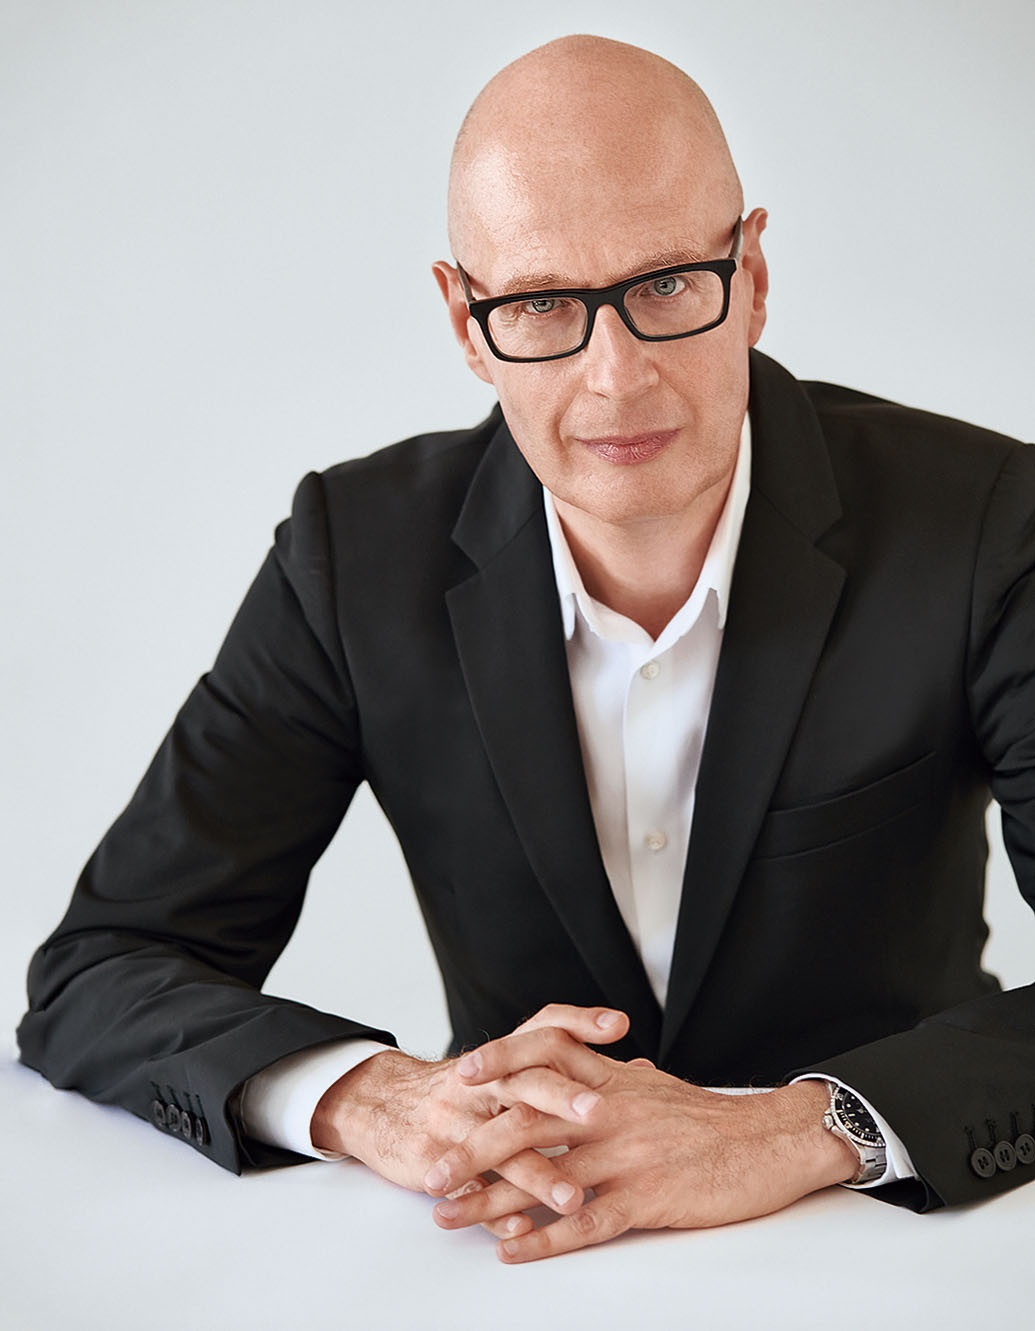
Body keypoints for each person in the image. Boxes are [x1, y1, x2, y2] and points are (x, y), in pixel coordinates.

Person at [17, 35, 1035, 1264]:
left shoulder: (989, 525)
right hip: (510, 1265)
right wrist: (372, 1096)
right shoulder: (351, 558)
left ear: (753, 274)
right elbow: (104, 965)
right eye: (544, 303)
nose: (616, 376)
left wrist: (803, 1129)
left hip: (901, 1254)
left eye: (668, 283)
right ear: (467, 320)